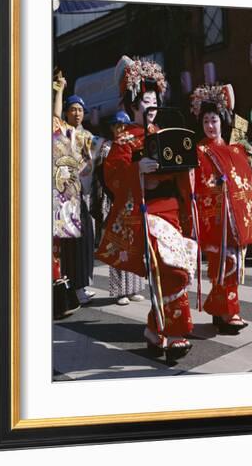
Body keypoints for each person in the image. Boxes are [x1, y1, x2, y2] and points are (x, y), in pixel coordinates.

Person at [96, 56, 197, 361]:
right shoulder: (125, 141)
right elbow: (113, 176)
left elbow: (185, 174)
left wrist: (187, 168)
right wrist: (138, 169)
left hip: (171, 211)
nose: (151, 108)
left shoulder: (166, 134)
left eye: (154, 102)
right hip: (147, 212)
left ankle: (157, 330)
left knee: (173, 270)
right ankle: (173, 330)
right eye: (145, 102)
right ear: (133, 105)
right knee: (169, 270)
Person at [191, 85, 252, 333]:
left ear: (222, 122)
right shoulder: (198, 151)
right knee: (225, 265)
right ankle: (229, 313)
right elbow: (195, 183)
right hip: (215, 219)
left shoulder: (234, 149)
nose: (210, 126)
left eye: (214, 120)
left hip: (235, 218)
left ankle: (220, 311)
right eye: (206, 121)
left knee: (232, 266)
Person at [52, 74, 102, 305]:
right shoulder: (62, 131)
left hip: (82, 193)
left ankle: (78, 285)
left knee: (84, 239)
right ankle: (76, 287)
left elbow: (99, 153)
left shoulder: (87, 135)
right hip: (65, 194)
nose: (77, 113)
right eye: (72, 109)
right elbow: (54, 116)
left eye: (80, 110)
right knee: (72, 243)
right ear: (66, 113)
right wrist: (60, 89)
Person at [91, 110, 146, 305]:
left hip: (134, 197)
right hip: (116, 197)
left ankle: (133, 288)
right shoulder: (108, 147)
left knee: (134, 242)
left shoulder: (134, 143)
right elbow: (104, 173)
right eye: (117, 126)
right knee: (118, 244)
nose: (120, 129)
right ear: (112, 128)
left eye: (123, 126)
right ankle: (119, 291)